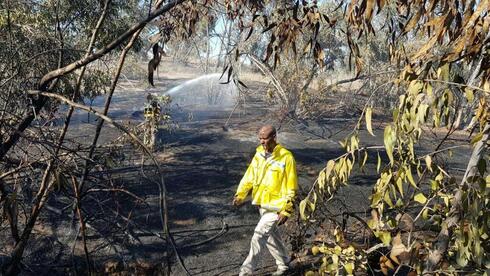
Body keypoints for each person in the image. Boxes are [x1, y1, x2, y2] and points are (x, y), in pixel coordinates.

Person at [233, 125, 298, 276]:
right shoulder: (259, 155)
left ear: (274, 137)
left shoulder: (286, 157)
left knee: (259, 235)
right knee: (271, 238)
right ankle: (284, 264)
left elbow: (292, 186)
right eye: (260, 138)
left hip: (277, 207)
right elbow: (249, 176)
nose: (262, 141)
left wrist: (286, 210)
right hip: (262, 204)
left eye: (265, 138)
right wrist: (240, 195)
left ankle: (246, 272)